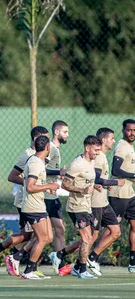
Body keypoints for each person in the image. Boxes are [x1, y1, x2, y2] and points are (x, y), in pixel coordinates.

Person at [0, 126, 49, 276]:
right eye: (44, 138)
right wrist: (30, 184)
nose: (47, 142)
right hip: (25, 201)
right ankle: (7, 256)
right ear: (36, 139)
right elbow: (12, 176)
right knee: (30, 235)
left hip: (36, 199)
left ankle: (0, 254)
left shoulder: (39, 156)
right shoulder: (28, 155)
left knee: (32, 235)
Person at [50, 135, 102, 279]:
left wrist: (94, 186)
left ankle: (60, 255)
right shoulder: (77, 164)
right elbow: (65, 184)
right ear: (87, 148)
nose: (98, 153)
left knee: (88, 239)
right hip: (76, 206)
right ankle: (82, 270)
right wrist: (82, 190)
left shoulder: (90, 162)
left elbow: (84, 181)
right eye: (96, 150)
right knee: (86, 239)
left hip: (86, 206)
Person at [20, 135, 60, 279]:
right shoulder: (36, 163)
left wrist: (46, 188)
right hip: (33, 207)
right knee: (42, 239)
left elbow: (35, 185)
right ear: (47, 148)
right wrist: (49, 185)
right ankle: (28, 270)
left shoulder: (38, 161)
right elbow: (30, 187)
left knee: (48, 237)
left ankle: (31, 266)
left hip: (39, 205)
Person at [87, 128, 124, 276]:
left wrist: (106, 183)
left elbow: (98, 180)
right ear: (104, 140)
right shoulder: (99, 157)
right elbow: (95, 178)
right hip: (95, 203)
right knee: (91, 236)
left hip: (104, 202)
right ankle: (79, 263)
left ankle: (92, 257)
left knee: (115, 231)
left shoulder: (102, 156)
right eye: (112, 138)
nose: (114, 141)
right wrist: (114, 182)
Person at [108, 119, 135, 273]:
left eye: (134, 131)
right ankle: (91, 258)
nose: (132, 133)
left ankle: (132, 262)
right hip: (118, 193)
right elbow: (116, 171)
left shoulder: (130, 147)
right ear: (123, 131)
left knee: (134, 225)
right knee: (112, 229)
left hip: (129, 192)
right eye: (129, 130)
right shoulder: (121, 146)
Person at [45, 121, 71, 275]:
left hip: (52, 195)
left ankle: (61, 264)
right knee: (38, 236)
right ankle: (15, 255)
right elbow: (41, 168)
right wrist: (59, 173)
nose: (67, 135)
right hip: (45, 196)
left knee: (60, 229)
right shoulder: (51, 148)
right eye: (65, 132)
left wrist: (58, 173)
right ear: (56, 132)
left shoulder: (56, 149)